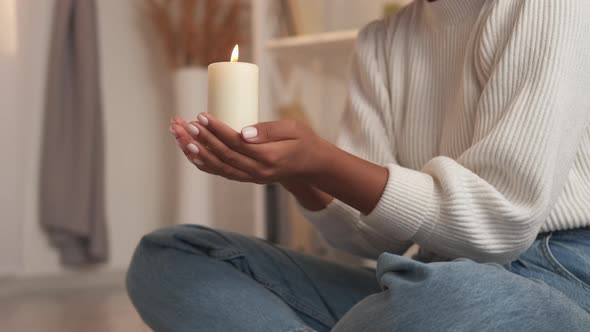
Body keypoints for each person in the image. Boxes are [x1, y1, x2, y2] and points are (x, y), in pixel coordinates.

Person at [126, 0, 590, 331]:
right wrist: (301, 174)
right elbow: (372, 237)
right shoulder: (382, 40)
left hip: (554, 272)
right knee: (170, 256)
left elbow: (502, 219)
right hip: (427, 272)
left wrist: (324, 160)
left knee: (446, 299)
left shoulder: (544, 5)